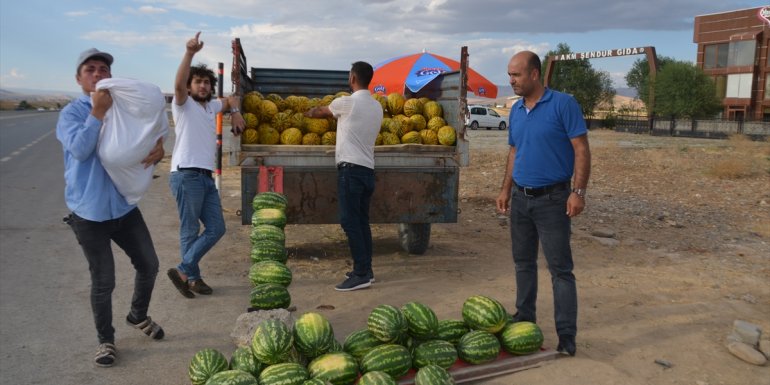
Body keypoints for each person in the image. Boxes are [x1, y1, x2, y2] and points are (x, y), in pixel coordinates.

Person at [58, 48, 166, 368]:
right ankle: (105, 340)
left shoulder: (124, 109)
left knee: (149, 264)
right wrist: (98, 113)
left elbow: (150, 130)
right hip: (89, 213)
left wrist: (159, 147)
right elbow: (79, 150)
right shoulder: (72, 113)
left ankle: (138, 315)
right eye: (90, 69)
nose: (98, 74)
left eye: (103, 69)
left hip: (123, 206)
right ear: (79, 78)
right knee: (104, 281)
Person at [495, 51, 591, 356]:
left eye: (517, 75)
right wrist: (505, 190)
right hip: (521, 199)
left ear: (535, 74)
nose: (511, 81)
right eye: (509, 75)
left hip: (553, 200)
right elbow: (514, 152)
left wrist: (579, 191)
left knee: (560, 269)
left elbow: (581, 149)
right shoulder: (516, 111)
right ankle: (525, 317)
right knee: (523, 263)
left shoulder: (563, 104)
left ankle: (566, 336)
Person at [166, 32, 245, 298]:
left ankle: (184, 271)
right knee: (189, 229)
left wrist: (235, 114)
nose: (202, 86)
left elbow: (233, 99)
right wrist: (190, 53)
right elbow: (177, 85)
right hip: (185, 174)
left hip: (205, 176)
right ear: (190, 87)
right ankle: (192, 278)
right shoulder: (183, 104)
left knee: (217, 228)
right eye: (198, 82)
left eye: (206, 83)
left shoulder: (211, 107)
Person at [305, 61, 383, 291]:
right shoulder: (377, 107)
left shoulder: (345, 102)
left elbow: (321, 113)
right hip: (368, 170)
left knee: (350, 222)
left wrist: (307, 112)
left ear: (352, 78)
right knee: (361, 222)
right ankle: (366, 270)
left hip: (351, 170)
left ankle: (361, 273)